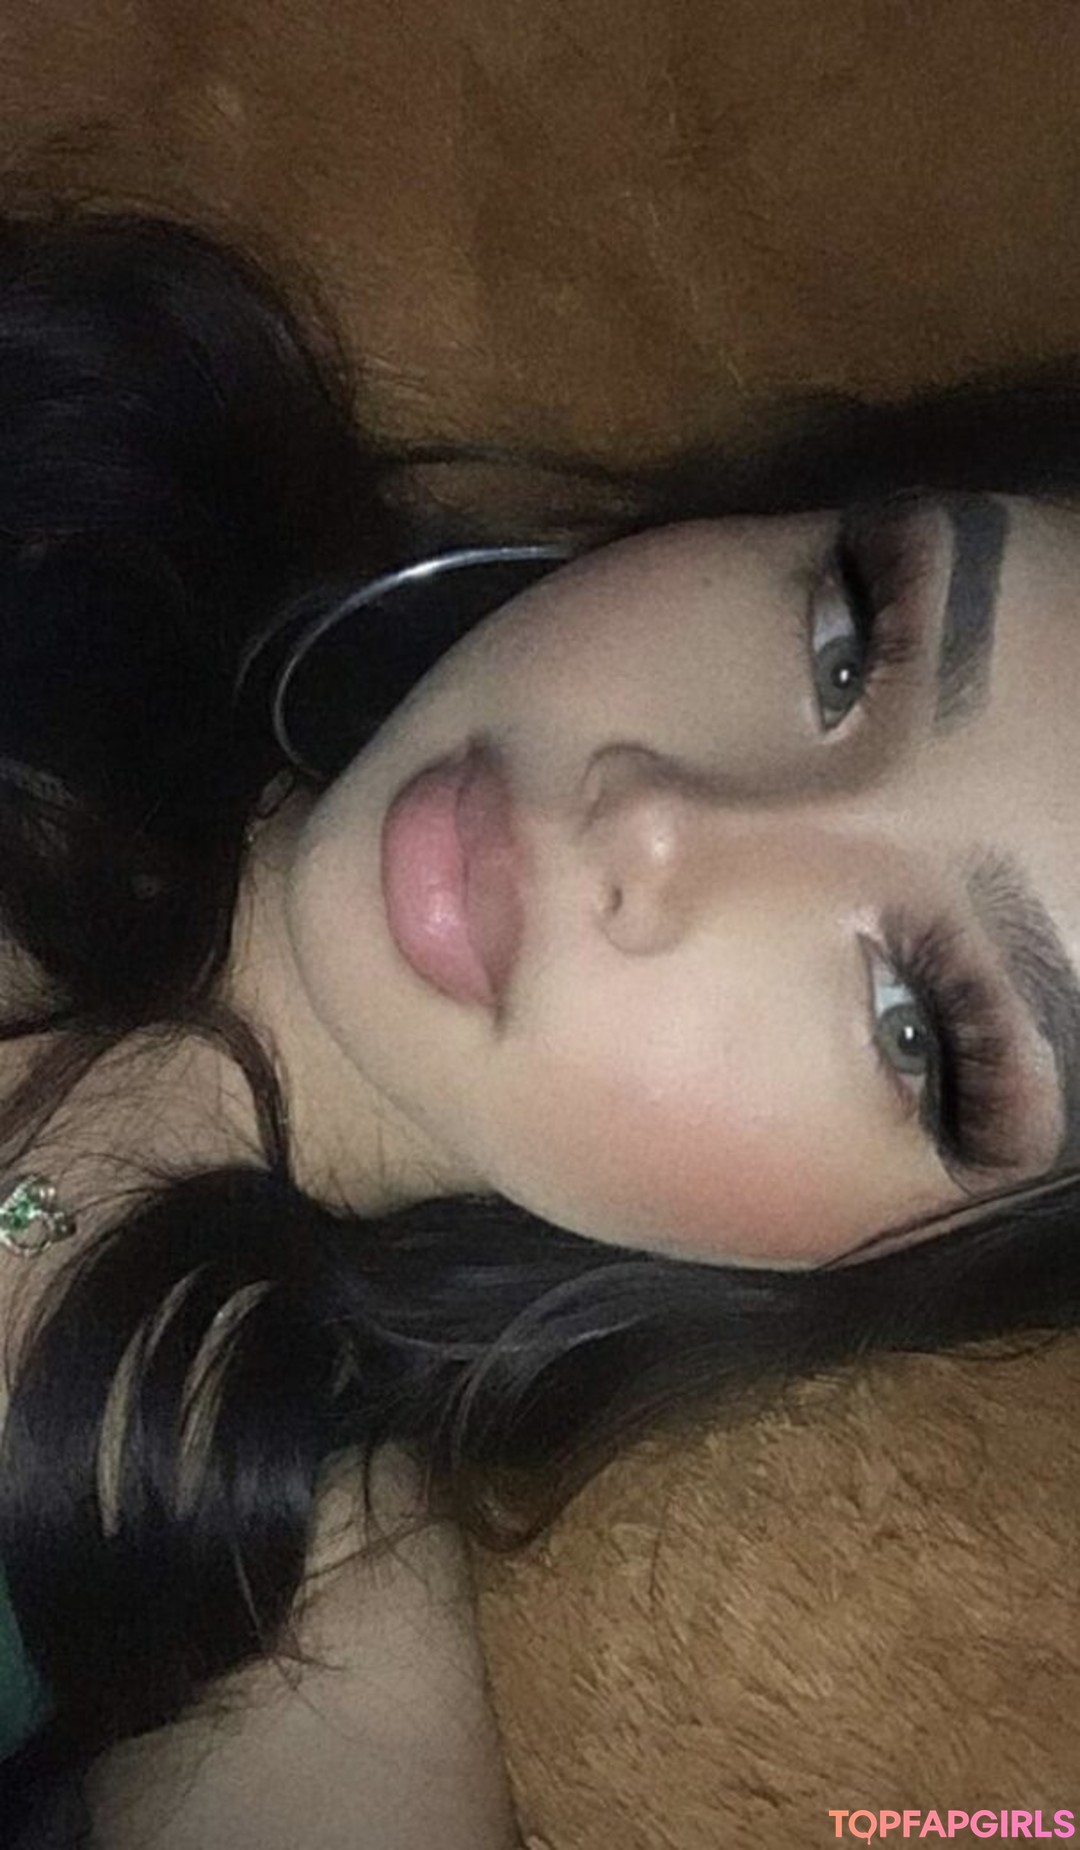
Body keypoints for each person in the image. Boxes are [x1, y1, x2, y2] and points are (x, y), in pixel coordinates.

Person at [0, 197, 1078, 1842]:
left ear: (876, 1270)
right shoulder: (96, 443)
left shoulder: (292, 1627)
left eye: (918, 1024)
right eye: (852, 632)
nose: (660, 821)